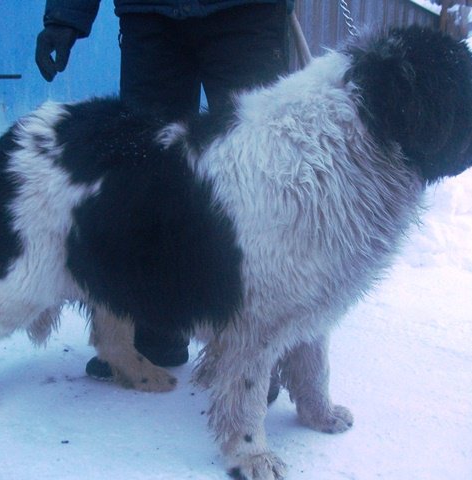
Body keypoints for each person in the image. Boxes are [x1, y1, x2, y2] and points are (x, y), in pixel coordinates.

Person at [35, 0, 293, 384]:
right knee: (144, 181)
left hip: (246, 13)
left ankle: (256, 357)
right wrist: (65, 17)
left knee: (256, 182)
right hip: (151, 16)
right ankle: (155, 333)